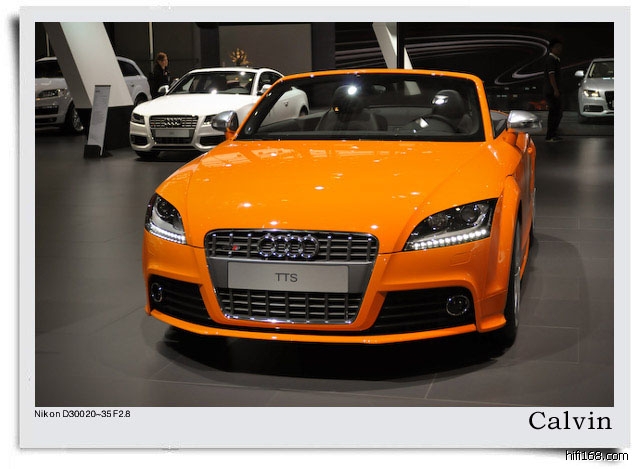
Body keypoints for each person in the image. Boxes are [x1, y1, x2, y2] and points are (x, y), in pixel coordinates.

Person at [543, 38, 564, 142]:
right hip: (551, 91)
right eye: (557, 47)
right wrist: (555, 90)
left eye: (560, 47)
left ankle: (553, 134)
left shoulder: (556, 59)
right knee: (555, 113)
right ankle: (550, 135)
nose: (560, 49)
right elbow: (551, 75)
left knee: (557, 113)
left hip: (553, 90)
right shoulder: (551, 59)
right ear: (552, 48)